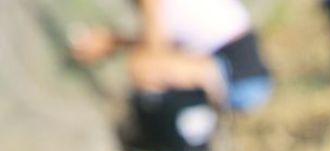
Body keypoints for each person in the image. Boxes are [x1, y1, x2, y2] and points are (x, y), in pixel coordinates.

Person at [71, 0, 274, 115]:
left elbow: (154, 52)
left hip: (236, 75)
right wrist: (113, 43)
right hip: (247, 71)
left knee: (141, 69)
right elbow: (166, 42)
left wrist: (110, 43)